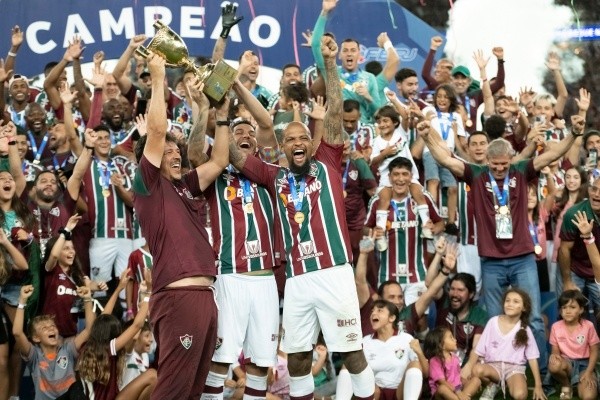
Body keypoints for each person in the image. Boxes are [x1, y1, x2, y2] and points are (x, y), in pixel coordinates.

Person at [228, 36, 376, 400]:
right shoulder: (273, 176)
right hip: (296, 279)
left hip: (334, 273)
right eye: (289, 139)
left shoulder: (327, 161)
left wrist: (329, 63)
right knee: (296, 358)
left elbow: (337, 112)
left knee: (351, 352)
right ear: (281, 148)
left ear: (311, 142)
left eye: (302, 137)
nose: (296, 142)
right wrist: (217, 104)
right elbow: (234, 156)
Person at [421, 115, 586, 382]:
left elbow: (551, 154)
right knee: (495, 321)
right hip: (492, 260)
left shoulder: (521, 170)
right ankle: (500, 373)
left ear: (511, 160)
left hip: (522, 258)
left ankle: (542, 375)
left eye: (504, 165)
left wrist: (573, 134)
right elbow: (446, 158)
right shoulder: (475, 174)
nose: (500, 169)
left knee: (531, 318)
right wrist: (427, 135)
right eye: (495, 165)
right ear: (486, 161)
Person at [132, 52, 229, 399]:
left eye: (178, 154)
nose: (176, 156)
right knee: (172, 390)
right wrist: (159, 75)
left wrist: (222, 116)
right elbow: (157, 131)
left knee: (192, 391)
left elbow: (219, 159)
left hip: (204, 296)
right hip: (177, 298)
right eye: (168, 154)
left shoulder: (184, 186)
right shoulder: (147, 185)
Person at [76, 272, 155, 400]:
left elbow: (102, 319)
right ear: (113, 335)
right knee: (152, 375)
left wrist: (119, 288)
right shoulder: (109, 348)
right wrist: (148, 293)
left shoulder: (87, 345)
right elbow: (137, 325)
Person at [12, 283, 95, 400]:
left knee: (77, 389)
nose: (51, 328)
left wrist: (87, 299)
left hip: (69, 398)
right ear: (36, 338)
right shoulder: (34, 356)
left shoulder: (68, 350)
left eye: (52, 326)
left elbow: (89, 329)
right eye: (44, 328)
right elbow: (17, 332)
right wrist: (22, 301)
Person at [472, 288, 545, 400]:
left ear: (524, 308)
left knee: (520, 395)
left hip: (514, 368)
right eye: (508, 300)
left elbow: (532, 358)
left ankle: (511, 383)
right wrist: (474, 368)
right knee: (477, 369)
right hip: (493, 367)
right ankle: (492, 385)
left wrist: (538, 385)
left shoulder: (525, 329)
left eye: (516, 301)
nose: (510, 304)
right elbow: (480, 350)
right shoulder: (493, 322)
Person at [362, 300, 425, 400]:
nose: (373, 313)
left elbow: (426, 373)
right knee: (349, 365)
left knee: (415, 364)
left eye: (380, 310)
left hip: (400, 392)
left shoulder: (406, 339)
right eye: (372, 311)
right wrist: (371, 384)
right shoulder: (365, 342)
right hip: (375, 393)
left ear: (392, 318)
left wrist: (419, 352)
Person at [432, 271, 488, 381]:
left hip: (466, 360)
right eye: (452, 289)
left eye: (460, 290)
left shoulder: (479, 315)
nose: (455, 294)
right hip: (441, 358)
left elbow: (477, 346)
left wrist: (468, 366)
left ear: (471, 294)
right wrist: (445, 268)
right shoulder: (444, 302)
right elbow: (429, 283)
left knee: (482, 369)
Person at [559, 174, 600, 312]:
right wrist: (567, 281)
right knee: (569, 311)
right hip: (577, 270)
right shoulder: (574, 213)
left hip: (599, 271)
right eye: (594, 189)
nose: (597, 194)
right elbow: (564, 249)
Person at [548, 289, 599, 400]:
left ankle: (581, 382)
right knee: (554, 364)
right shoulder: (556, 326)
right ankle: (566, 385)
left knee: (588, 397)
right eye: (564, 307)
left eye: (572, 307)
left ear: (580, 309)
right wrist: (554, 354)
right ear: (560, 311)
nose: (568, 311)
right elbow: (555, 348)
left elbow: (595, 350)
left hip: (584, 366)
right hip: (567, 364)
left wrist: (589, 372)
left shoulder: (588, 326)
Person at [423, 327, 481, 400]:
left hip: (457, 390)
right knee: (442, 389)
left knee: (476, 380)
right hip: (443, 393)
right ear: (441, 345)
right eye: (451, 337)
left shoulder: (455, 358)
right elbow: (442, 382)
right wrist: (458, 392)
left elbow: (458, 377)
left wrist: (467, 383)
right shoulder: (434, 361)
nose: (455, 340)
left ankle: (462, 398)